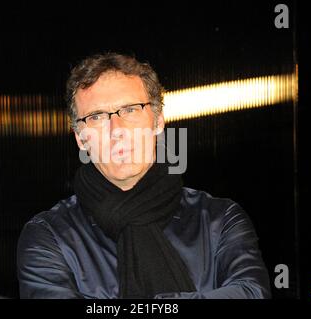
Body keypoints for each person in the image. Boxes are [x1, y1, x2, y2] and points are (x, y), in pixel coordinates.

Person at [17, 53, 271, 299]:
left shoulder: (220, 220)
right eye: (96, 117)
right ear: (80, 138)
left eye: (130, 110)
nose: (116, 130)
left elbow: (252, 292)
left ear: (158, 121)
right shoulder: (48, 236)